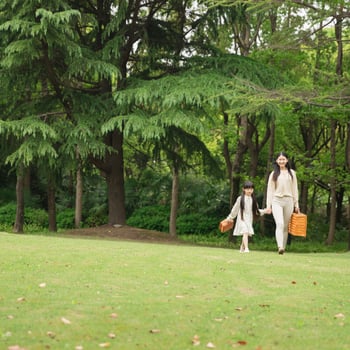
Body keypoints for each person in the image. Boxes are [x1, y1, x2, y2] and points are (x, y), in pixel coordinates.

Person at [266, 152, 300, 255]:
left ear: (287, 160)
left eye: (283, 159)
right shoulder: (273, 174)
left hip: (289, 200)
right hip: (276, 200)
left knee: (285, 226)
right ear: (276, 161)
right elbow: (270, 190)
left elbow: (295, 189)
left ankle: (283, 248)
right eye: (279, 159)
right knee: (279, 224)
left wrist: (296, 204)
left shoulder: (292, 173)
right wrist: (268, 205)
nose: (281, 161)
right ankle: (279, 246)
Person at [226, 180, 268, 253]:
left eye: (251, 189)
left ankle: (242, 247)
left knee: (246, 233)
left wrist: (265, 211)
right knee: (245, 231)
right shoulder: (240, 199)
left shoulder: (253, 200)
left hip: (249, 219)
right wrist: (230, 218)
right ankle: (246, 248)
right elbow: (235, 209)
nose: (249, 191)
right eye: (248, 189)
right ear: (243, 189)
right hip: (241, 219)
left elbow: (256, 211)